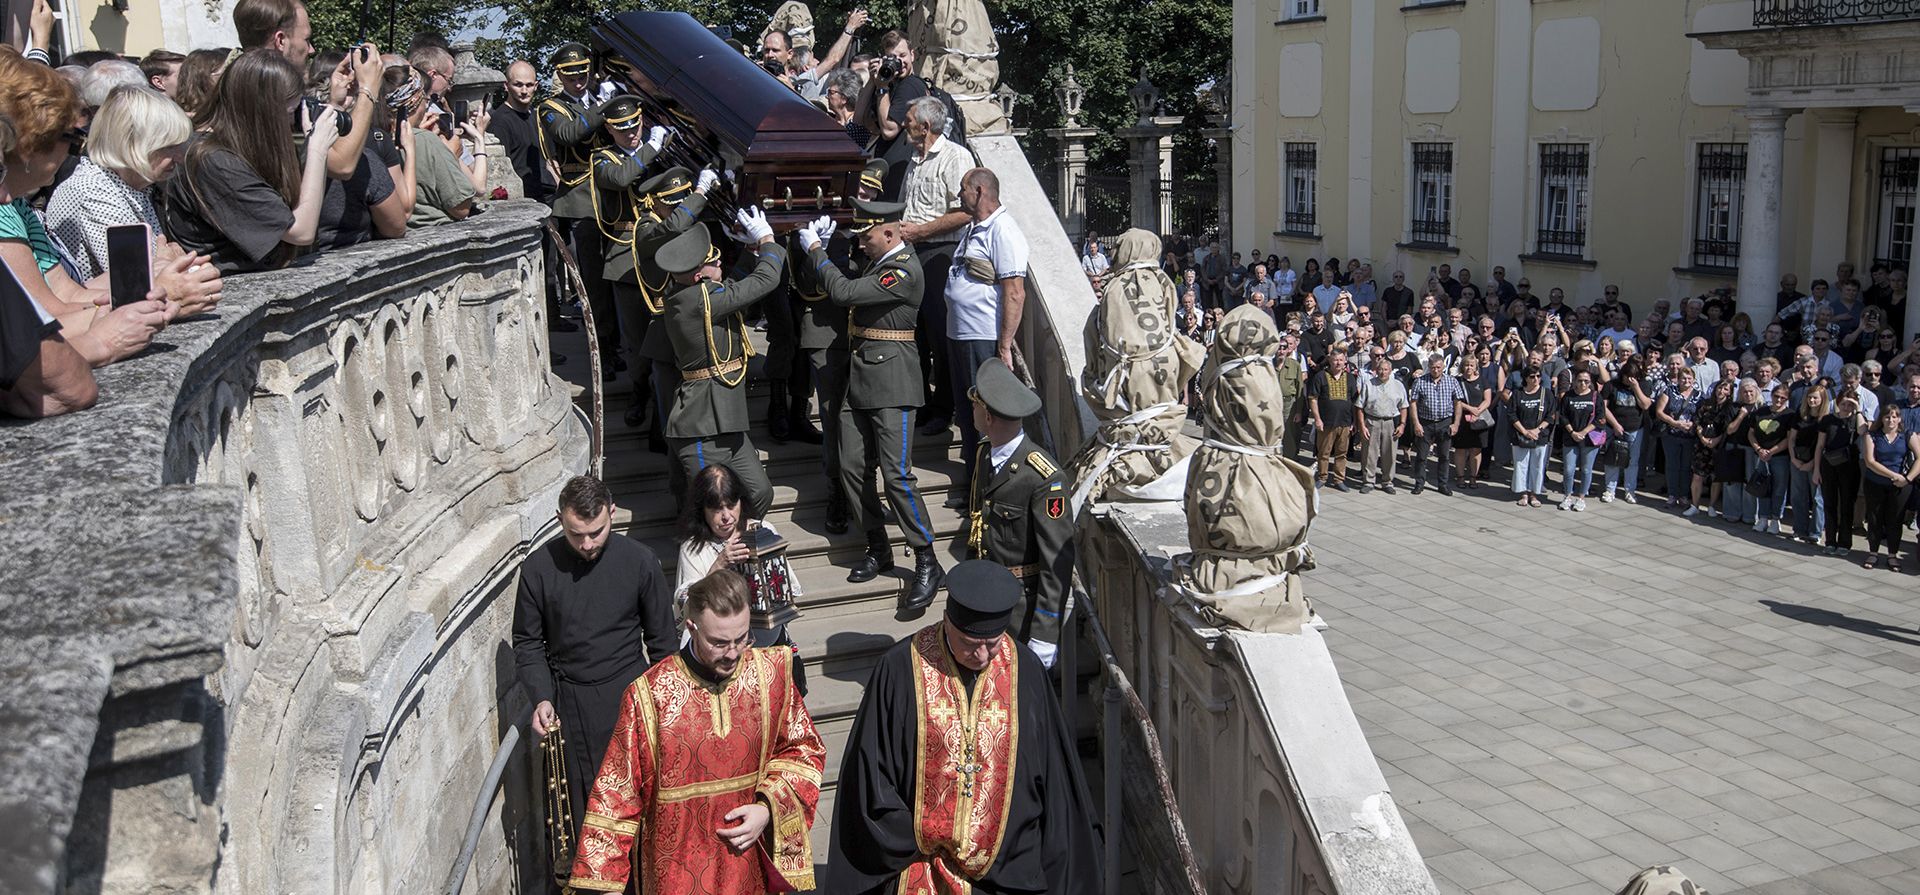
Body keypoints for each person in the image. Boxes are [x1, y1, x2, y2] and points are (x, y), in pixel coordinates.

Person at [828, 560, 1102, 895]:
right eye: (970, 643)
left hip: (1009, 862)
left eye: (994, 643)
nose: (983, 655)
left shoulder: (1025, 671)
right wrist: (927, 835)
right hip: (918, 856)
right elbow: (871, 777)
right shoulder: (900, 669)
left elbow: (1051, 775)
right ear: (946, 622)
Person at [567, 568, 826, 894]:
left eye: (741, 638)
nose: (732, 653)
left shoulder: (771, 675)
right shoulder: (650, 695)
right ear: (691, 627)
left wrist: (766, 808)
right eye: (718, 642)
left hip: (750, 868)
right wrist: (605, 884)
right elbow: (616, 794)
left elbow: (805, 750)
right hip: (675, 872)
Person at [512, 475, 678, 852]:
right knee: (585, 826)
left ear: (613, 513)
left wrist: (667, 711)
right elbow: (527, 642)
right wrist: (540, 697)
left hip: (630, 702)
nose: (587, 544)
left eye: (596, 532)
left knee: (639, 818)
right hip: (569, 707)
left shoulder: (640, 561)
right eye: (576, 534)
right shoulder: (538, 569)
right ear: (559, 520)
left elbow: (663, 645)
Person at [799, 199, 944, 609]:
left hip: (894, 381)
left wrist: (816, 251)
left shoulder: (901, 271)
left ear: (889, 233)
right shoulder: (880, 263)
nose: (861, 245)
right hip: (862, 377)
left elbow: (844, 293)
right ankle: (878, 546)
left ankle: (926, 558)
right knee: (851, 467)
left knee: (897, 476)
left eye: (866, 237)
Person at [158, 49, 337, 272]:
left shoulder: (234, 147)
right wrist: (317, 149)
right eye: (290, 113)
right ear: (263, 112)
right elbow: (301, 231)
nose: (293, 123)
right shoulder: (212, 160)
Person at [658, 210, 783, 518]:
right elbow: (766, 279)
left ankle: (737, 549)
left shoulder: (693, 293)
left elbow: (730, 286)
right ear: (699, 276)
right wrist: (767, 240)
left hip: (725, 417)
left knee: (759, 493)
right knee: (708, 509)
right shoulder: (698, 301)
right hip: (700, 423)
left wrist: (748, 251)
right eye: (715, 263)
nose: (720, 265)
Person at [961, 357, 1075, 668]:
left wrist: (1044, 634)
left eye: (975, 406)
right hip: (985, 602)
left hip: (1020, 612)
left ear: (987, 415)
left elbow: (1057, 561)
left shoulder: (1042, 477)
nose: (971, 411)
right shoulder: (986, 453)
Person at [945, 167, 1026, 495]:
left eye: (963, 189)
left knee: (985, 417)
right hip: (960, 334)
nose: (958, 195)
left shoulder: (1003, 230)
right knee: (968, 413)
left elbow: (1015, 292)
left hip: (981, 336)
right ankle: (973, 482)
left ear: (979, 191)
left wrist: (1004, 346)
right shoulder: (974, 226)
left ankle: (989, 490)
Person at [898, 95, 975, 436]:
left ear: (925, 127)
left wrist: (921, 230)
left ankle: (944, 409)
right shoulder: (914, 159)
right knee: (914, 334)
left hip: (941, 253)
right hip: (912, 252)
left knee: (939, 333)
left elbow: (966, 210)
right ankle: (924, 405)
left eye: (909, 119)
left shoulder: (956, 157)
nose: (904, 123)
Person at [539, 42, 618, 374]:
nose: (578, 80)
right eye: (570, 75)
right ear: (560, 75)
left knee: (619, 276)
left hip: (613, 197)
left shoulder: (600, 99)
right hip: (582, 202)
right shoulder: (550, 107)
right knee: (595, 283)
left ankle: (622, 341)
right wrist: (605, 105)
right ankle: (605, 350)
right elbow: (569, 134)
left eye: (582, 72)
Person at [1859, 403, 1915, 570]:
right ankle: (1873, 553)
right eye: (1887, 416)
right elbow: (1870, 461)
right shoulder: (1872, 435)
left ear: (1899, 419)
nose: (1891, 420)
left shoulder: (1907, 435)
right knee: (1874, 518)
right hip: (1876, 483)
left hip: (1900, 486)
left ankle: (1892, 555)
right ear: (1882, 418)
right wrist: (1893, 475)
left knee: (1895, 520)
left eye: (1894, 416)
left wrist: (1908, 478)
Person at [1816, 390, 1866, 557]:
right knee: (1829, 504)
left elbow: (1862, 431)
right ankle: (1830, 540)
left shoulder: (1856, 419)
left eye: (1849, 404)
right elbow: (1820, 445)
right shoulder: (1828, 419)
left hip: (1849, 466)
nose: (1846, 407)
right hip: (1829, 463)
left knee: (1846, 504)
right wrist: (1816, 469)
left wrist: (1857, 409)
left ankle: (1845, 542)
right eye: (1843, 403)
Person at [1408, 353, 1464, 495]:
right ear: (1429, 367)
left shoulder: (1452, 381)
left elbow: (1458, 403)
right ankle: (1419, 483)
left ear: (1443, 367)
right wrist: (1416, 424)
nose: (1436, 370)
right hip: (1425, 422)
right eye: (1433, 368)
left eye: (1439, 367)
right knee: (1421, 456)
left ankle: (1443, 484)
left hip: (1444, 422)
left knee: (1444, 456)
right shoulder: (1420, 382)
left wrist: (1456, 424)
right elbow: (1413, 403)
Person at [1600, 355, 1652, 502]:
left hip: (1635, 428)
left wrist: (1636, 388)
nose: (1628, 380)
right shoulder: (1612, 385)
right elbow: (1603, 407)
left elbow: (1646, 405)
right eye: (1626, 377)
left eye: (1632, 378)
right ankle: (1610, 490)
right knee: (1612, 459)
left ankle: (1630, 490)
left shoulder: (1644, 384)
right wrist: (1615, 424)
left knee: (1632, 461)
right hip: (1613, 427)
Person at [1746, 382, 1795, 534]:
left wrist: (1771, 451)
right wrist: (1759, 449)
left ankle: (1776, 519)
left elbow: (1789, 439)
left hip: (1779, 457)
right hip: (1761, 455)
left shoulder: (1789, 415)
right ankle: (1763, 518)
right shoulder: (1761, 412)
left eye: (1782, 398)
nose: (1779, 400)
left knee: (1779, 488)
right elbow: (1751, 433)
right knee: (1762, 486)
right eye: (1776, 396)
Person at [1355, 356, 1409, 493]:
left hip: (1390, 422)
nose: (1383, 372)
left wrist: (1402, 424)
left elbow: (1404, 406)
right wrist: (1362, 426)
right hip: (1372, 420)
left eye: (1385, 370)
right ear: (1376, 370)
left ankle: (1387, 481)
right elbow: (1359, 406)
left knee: (1389, 453)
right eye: (1380, 369)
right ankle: (1368, 481)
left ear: (1390, 371)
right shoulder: (1369, 384)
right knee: (1369, 453)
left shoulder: (1398, 385)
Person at [1308, 346, 1356, 490]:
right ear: (1330, 360)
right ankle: (1322, 477)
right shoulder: (1321, 376)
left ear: (1345, 361)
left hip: (1345, 422)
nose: (1338, 363)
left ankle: (1339, 479)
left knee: (1342, 453)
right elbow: (1313, 398)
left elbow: (1354, 401)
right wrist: (1317, 419)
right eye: (1335, 360)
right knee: (1323, 452)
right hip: (1326, 422)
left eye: (1341, 360)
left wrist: (1354, 421)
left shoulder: (1350, 378)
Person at [1787, 385, 1828, 544]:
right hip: (1797, 460)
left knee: (1817, 499)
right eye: (1810, 397)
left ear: (1822, 399)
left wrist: (1812, 464)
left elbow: (1822, 445)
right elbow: (1791, 438)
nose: (1812, 400)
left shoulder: (1825, 419)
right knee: (1798, 497)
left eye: (1815, 398)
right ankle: (1799, 529)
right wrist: (1793, 459)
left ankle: (1815, 533)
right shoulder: (1800, 414)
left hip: (1815, 463)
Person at [1558, 368, 1602, 511]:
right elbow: (1563, 416)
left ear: (1590, 382)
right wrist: (1572, 432)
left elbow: (1600, 418)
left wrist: (1583, 432)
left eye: (1586, 381)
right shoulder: (1569, 396)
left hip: (1589, 439)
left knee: (1586, 470)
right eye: (1580, 381)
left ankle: (1581, 497)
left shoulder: (1595, 396)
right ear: (1575, 381)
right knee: (1569, 470)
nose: (1583, 384)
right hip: (1570, 437)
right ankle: (1567, 495)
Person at [1507, 366, 1552, 506]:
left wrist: (1537, 430)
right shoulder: (1518, 394)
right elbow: (1512, 414)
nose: (1536, 379)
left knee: (1537, 465)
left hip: (1540, 435)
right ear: (1525, 378)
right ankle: (1523, 493)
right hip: (1521, 434)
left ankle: (1534, 493)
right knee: (1521, 464)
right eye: (1532, 376)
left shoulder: (1546, 394)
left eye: (1538, 376)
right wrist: (1524, 431)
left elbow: (1551, 415)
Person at [1452, 353, 1494, 488]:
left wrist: (1478, 411)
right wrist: (1471, 409)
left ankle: (1473, 477)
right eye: (1466, 365)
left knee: (1476, 450)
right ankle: (1460, 476)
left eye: (1471, 365)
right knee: (1460, 449)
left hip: (1479, 420)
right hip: (1462, 419)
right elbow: (1455, 400)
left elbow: (1487, 399)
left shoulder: (1483, 380)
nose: (1469, 368)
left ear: (1476, 367)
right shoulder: (1457, 381)